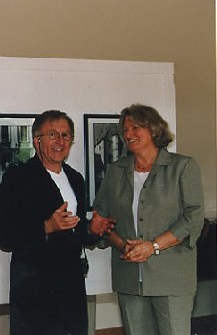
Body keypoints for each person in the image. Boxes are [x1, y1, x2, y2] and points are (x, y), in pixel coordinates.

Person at [0, 110, 115, 335]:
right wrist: (46, 227)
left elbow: (75, 231)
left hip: (71, 286)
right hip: (34, 289)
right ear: (36, 140)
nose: (60, 141)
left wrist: (93, 229)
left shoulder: (75, 178)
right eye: (53, 134)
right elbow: (2, 235)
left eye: (66, 135)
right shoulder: (18, 177)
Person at [93, 104, 205, 335]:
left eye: (136, 127)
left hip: (172, 277)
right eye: (125, 130)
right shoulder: (115, 171)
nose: (128, 134)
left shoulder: (182, 166)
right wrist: (123, 245)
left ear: (154, 129)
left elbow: (193, 216)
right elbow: (101, 218)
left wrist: (152, 246)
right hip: (129, 276)